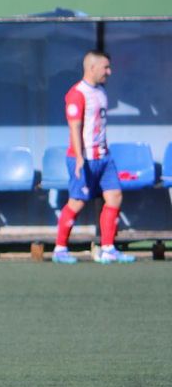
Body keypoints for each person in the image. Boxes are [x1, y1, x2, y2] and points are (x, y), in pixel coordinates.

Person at [54, 50, 134, 264]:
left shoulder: (100, 92)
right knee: (77, 202)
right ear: (92, 67)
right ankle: (60, 248)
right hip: (84, 158)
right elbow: (74, 127)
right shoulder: (77, 93)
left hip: (103, 157)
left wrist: (105, 152)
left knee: (115, 196)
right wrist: (80, 158)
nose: (109, 71)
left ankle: (108, 248)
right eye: (105, 67)